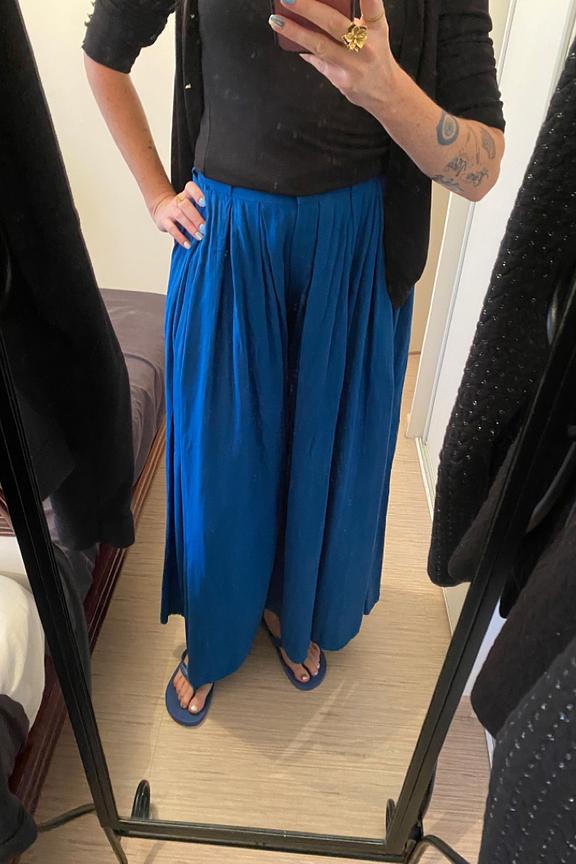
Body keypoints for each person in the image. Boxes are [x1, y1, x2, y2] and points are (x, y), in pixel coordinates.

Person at [83, 0, 505, 726]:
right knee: (221, 466)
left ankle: (292, 606)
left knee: (326, 457)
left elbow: (482, 169)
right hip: (227, 237)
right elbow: (104, 54)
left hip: (355, 247)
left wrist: (384, 86)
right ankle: (216, 635)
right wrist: (156, 194)